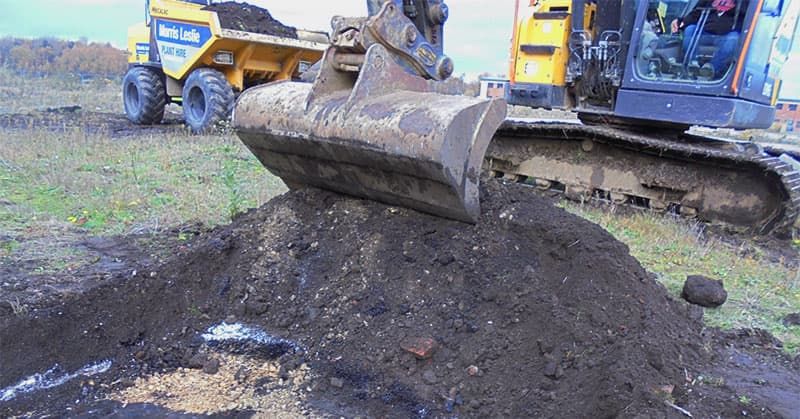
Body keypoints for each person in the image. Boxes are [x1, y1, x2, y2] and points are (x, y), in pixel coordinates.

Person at [671, 0, 746, 78]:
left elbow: (748, 16)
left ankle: (711, 68)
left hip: (727, 35)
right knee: (690, 29)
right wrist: (680, 22)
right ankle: (692, 65)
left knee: (733, 39)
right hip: (705, 32)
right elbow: (696, 13)